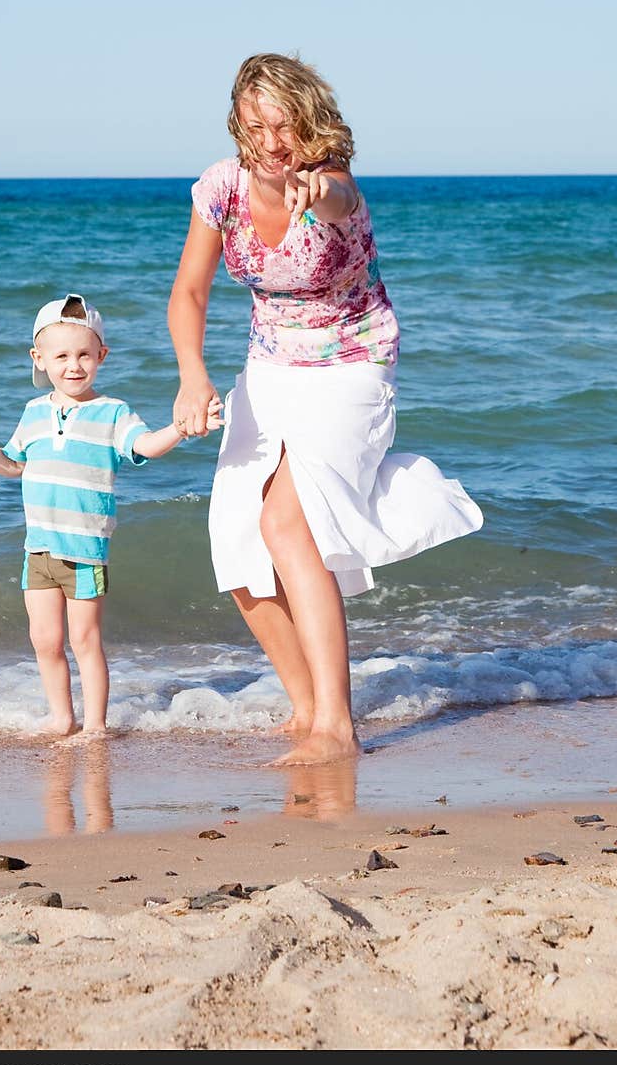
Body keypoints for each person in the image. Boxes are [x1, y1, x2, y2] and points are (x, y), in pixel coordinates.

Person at [168, 53, 483, 766]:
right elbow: (189, 292)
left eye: (282, 122)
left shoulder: (333, 181)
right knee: (236, 539)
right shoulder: (222, 187)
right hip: (271, 366)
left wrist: (318, 188)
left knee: (285, 521)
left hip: (350, 365)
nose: (271, 139)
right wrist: (193, 375)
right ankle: (306, 706)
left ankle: (336, 728)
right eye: (255, 124)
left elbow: (337, 198)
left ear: (307, 117)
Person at [0, 293, 221, 737]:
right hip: (37, 546)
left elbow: (144, 447)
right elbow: (14, 465)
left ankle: (95, 725)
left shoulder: (112, 412)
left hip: (84, 549)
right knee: (44, 640)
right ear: (39, 359)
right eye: (61, 356)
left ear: (102, 355)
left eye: (83, 355)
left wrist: (181, 428)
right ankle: (62, 718)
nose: (73, 365)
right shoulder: (34, 412)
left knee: (84, 640)